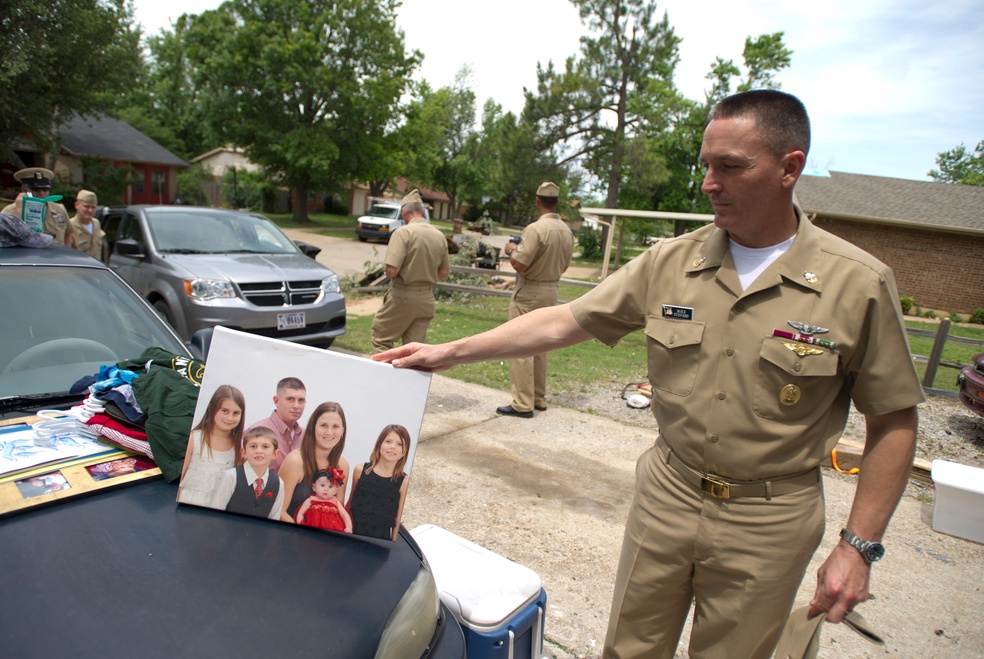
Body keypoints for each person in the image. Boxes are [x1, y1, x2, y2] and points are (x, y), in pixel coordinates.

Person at [373, 90, 924, 659]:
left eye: (731, 166)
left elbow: (893, 420)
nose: (710, 182)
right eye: (706, 165)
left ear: (790, 168)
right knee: (630, 649)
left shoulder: (857, 283)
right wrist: (449, 352)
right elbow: (566, 321)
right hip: (668, 492)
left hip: (770, 517)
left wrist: (858, 546)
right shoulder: (671, 262)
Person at [496, 181, 574, 418]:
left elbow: (520, 263)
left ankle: (522, 403)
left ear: (537, 201)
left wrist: (511, 249)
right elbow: (566, 265)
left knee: (520, 343)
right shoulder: (566, 231)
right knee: (543, 343)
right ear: (557, 202)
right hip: (551, 289)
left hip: (529, 291)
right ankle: (538, 397)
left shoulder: (535, 229)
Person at [370, 189, 450, 353]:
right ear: (422, 212)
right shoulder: (439, 235)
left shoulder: (403, 232)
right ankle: (408, 378)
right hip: (427, 298)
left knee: (381, 341)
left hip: (403, 295)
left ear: (404, 212)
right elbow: (443, 273)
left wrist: (389, 269)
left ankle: (383, 378)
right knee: (413, 350)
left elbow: (392, 270)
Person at [277, 401, 350, 523]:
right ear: (313, 427)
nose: (329, 432)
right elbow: (279, 510)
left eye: (335, 427)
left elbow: (338, 510)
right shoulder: (295, 461)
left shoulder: (342, 465)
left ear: (342, 430)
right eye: (323, 425)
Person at [177, 384, 245, 508]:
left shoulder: (239, 448)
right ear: (211, 409)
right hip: (187, 507)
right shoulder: (195, 438)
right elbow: (179, 477)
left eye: (236, 413)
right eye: (225, 411)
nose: (230, 418)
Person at [347, 424, 411, 541]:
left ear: (404, 451)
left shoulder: (403, 481)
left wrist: (393, 542)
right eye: (388, 441)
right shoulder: (360, 470)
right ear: (379, 444)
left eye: (399, 444)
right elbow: (349, 504)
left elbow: (397, 518)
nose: (392, 447)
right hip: (352, 535)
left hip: (380, 541)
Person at [210, 426, 285, 520]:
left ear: (275, 454)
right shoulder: (231, 476)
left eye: (265, 447)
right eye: (253, 446)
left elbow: (274, 518)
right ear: (243, 452)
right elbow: (215, 513)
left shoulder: (278, 483)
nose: (259, 451)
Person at [246, 377, 307, 473]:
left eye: (301, 400)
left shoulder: (306, 436)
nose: (296, 406)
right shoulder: (255, 431)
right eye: (290, 399)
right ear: (276, 401)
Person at [1, 167, 73, 247]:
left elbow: (68, 234)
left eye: (45, 189)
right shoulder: (9, 211)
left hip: (55, 257)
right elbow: (3, 238)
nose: (41, 193)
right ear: (24, 188)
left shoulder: (59, 209)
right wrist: (19, 212)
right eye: (35, 189)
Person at [295, 467, 352, 532]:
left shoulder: (335, 501)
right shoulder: (311, 500)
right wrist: (300, 524)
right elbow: (300, 513)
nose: (326, 489)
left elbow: (345, 515)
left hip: (333, 530)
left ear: (335, 491)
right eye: (322, 485)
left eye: (330, 487)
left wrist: (348, 527)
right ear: (314, 487)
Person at [69, 189, 105, 260]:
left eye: (93, 207)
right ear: (76, 205)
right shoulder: (70, 226)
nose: (90, 210)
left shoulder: (96, 223)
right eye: (86, 206)